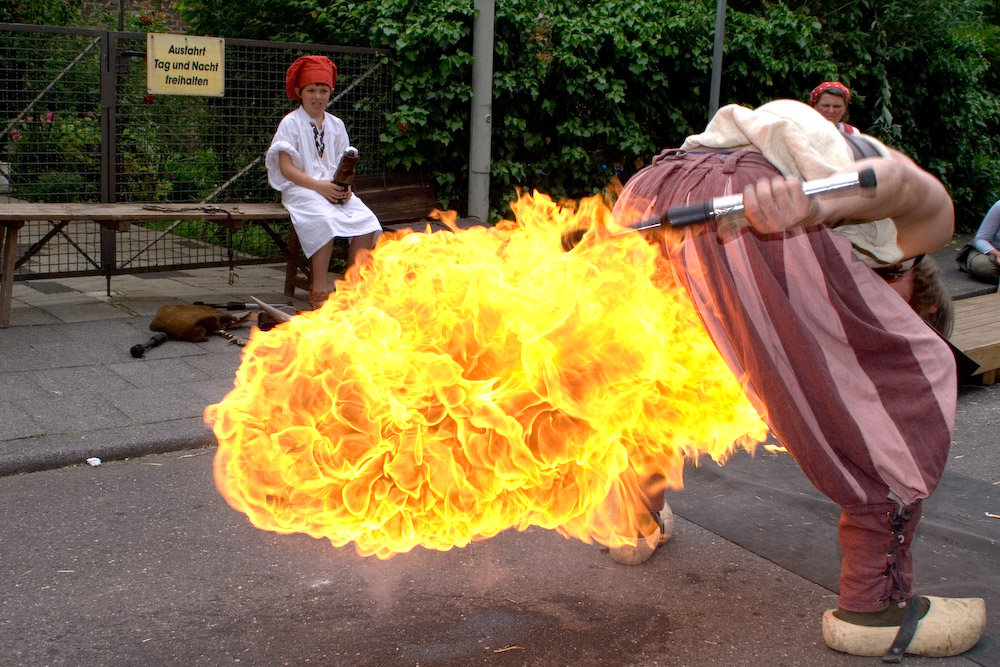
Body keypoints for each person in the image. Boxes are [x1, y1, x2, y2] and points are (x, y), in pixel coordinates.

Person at [609, 100, 985, 660]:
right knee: (902, 383)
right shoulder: (931, 226)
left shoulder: (850, 251)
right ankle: (875, 607)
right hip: (732, 194)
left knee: (669, 372)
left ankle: (635, 520)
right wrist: (817, 208)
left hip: (650, 194)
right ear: (915, 284)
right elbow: (892, 181)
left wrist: (810, 212)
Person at [265, 55, 381, 310]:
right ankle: (318, 289)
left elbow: (343, 164)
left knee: (367, 221)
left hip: (332, 189)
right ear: (299, 92)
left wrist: (345, 188)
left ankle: (352, 289)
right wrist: (319, 187)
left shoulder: (336, 125)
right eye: (311, 90)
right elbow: (286, 169)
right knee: (324, 219)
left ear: (330, 92)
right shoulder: (290, 123)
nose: (317, 96)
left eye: (323, 90)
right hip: (301, 190)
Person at [959, 199, 1000, 284]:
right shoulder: (998, 206)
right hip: (989, 252)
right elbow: (980, 239)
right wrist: (997, 254)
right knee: (982, 266)